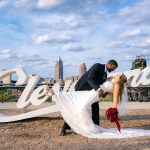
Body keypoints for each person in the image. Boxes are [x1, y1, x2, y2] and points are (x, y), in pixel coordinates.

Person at [47, 73, 150, 139]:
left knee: (80, 105)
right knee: (77, 98)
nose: (117, 74)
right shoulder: (114, 82)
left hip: (94, 95)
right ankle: (57, 94)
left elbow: (114, 97)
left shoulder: (117, 85)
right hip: (93, 92)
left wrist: (113, 109)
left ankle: (86, 128)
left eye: (119, 75)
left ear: (120, 79)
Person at [59, 60, 118, 136]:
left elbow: (99, 84)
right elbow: (90, 78)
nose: (114, 69)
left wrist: (103, 93)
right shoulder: (97, 66)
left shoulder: (105, 74)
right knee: (76, 108)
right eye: (114, 67)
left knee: (95, 107)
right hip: (81, 88)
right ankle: (64, 127)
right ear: (110, 64)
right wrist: (99, 89)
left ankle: (96, 127)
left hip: (91, 92)